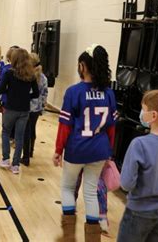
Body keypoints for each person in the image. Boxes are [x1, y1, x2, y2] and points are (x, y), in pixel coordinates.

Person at [52, 44, 116, 242]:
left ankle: (69, 236)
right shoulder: (109, 93)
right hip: (100, 150)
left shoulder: (74, 92)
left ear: (83, 66)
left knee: (67, 188)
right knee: (90, 192)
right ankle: (93, 239)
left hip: (77, 149)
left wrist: (57, 150)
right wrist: (109, 152)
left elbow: (65, 127)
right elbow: (112, 128)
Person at [117, 89, 158, 242]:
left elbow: (126, 184)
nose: (141, 113)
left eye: (143, 109)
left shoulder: (139, 144)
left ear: (153, 116)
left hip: (138, 211)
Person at [0, 48, 39, 175]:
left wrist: (10, 94)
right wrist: (26, 97)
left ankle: (5, 159)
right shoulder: (31, 75)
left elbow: (0, 89)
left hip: (10, 108)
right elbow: (36, 93)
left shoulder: (9, 73)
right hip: (24, 110)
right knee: (19, 137)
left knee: (6, 132)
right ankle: (15, 165)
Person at [20, 53, 48, 166]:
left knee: (26, 131)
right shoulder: (43, 78)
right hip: (37, 108)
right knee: (32, 129)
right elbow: (44, 93)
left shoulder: (26, 76)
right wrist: (42, 104)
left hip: (27, 106)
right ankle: (31, 151)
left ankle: (25, 157)